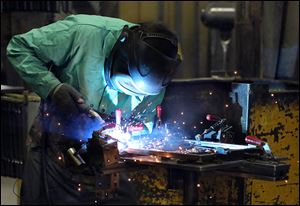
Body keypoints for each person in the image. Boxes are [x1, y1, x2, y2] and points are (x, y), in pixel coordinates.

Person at [7, 14, 181, 205]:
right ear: (121, 55)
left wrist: (135, 136)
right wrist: (53, 88)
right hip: (57, 150)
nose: (130, 96)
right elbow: (19, 48)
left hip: (109, 162)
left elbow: (145, 126)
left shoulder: (161, 71)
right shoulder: (82, 33)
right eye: (127, 88)